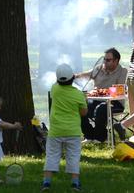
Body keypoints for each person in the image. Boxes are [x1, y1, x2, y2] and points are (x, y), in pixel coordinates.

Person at [42, 64, 87, 192]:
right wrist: (83, 99)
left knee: (51, 156)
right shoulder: (78, 94)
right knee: (73, 157)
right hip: (73, 132)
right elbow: (83, 112)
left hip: (55, 131)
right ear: (73, 78)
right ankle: (75, 183)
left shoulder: (54, 89)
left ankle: (46, 183)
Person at [75, 48, 128, 142]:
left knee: (101, 108)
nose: (105, 62)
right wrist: (75, 76)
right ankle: (89, 136)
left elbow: (119, 91)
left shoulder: (123, 71)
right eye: (104, 59)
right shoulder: (99, 68)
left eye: (108, 60)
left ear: (116, 61)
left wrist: (98, 92)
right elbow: (88, 74)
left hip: (115, 103)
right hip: (96, 101)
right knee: (81, 107)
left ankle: (101, 137)